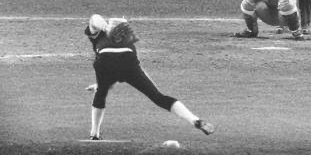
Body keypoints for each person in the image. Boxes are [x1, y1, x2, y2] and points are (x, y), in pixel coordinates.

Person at [83, 15, 215, 140]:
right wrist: (108, 28)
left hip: (105, 62)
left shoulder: (97, 35)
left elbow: (94, 18)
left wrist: (101, 85)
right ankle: (195, 120)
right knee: (158, 97)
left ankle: (94, 134)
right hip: (129, 62)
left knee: (100, 94)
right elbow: (119, 70)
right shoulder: (125, 38)